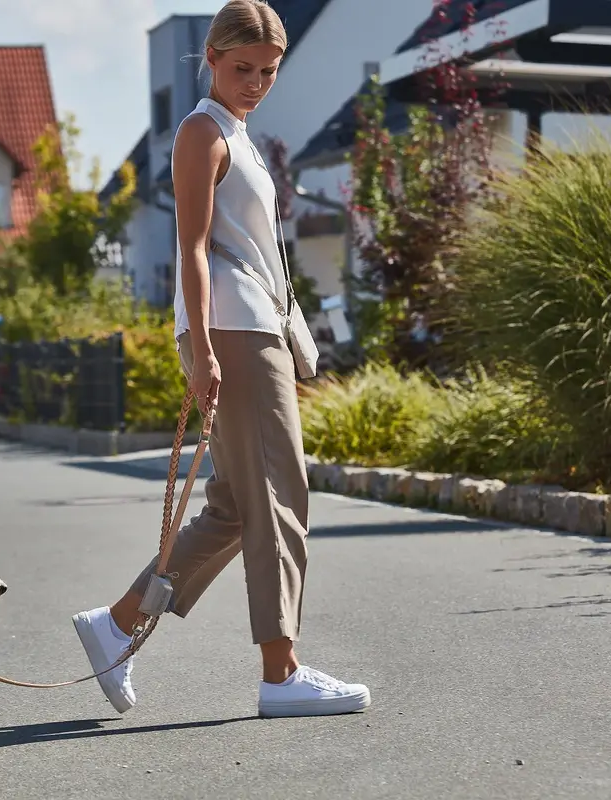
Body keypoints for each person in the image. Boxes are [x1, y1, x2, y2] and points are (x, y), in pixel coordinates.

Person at [71, 0, 371, 719]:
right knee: (280, 494)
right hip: (233, 331)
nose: (257, 83)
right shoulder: (203, 131)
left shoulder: (241, 135)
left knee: (238, 506)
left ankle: (116, 624)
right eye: (243, 69)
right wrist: (202, 348)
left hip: (252, 325)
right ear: (210, 58)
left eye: (269, 71)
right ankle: (282, 672)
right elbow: (193, 249)